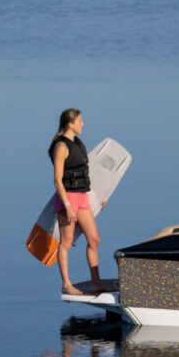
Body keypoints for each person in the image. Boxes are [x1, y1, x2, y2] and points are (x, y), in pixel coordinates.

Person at [50, 108, 103, 295]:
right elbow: (57, 180)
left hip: (82, 197)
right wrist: (67, 206)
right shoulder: (61, 147)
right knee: (66, 241)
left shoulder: (78, 143)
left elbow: (85, 174)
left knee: (94, 240)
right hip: (68, 199)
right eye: (80, 121)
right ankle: (66, 284)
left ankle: (96, 281)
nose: (83, 124)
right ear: (70, 124)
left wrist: (97, 199)